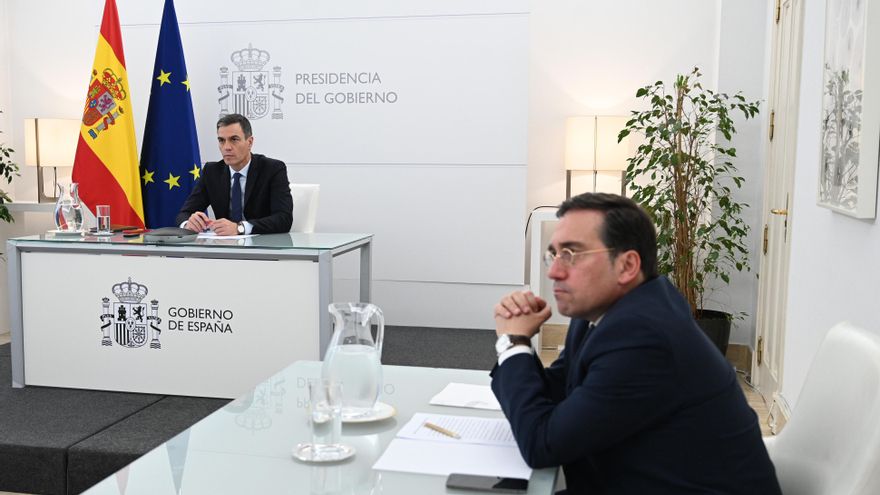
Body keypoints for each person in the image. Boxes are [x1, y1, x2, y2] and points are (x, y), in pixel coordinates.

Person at [491, 193, 781, 494]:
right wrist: (518, 345)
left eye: (571, 254)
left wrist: (514, 342)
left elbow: (543, 445)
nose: (554, 271)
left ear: (627, 265)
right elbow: (559, 391)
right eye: (554, 254)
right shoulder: (608, 311)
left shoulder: (644, 339)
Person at [176, 114, 293, 235]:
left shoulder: (272, 169)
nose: (226, 147)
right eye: (221, 140)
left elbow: (283, 219)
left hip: (263, 247)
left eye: (234, 139)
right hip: (224, 248)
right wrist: (188, 224)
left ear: (250, 142)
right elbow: (184, 214)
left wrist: (240, 228)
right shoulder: (211, 172)